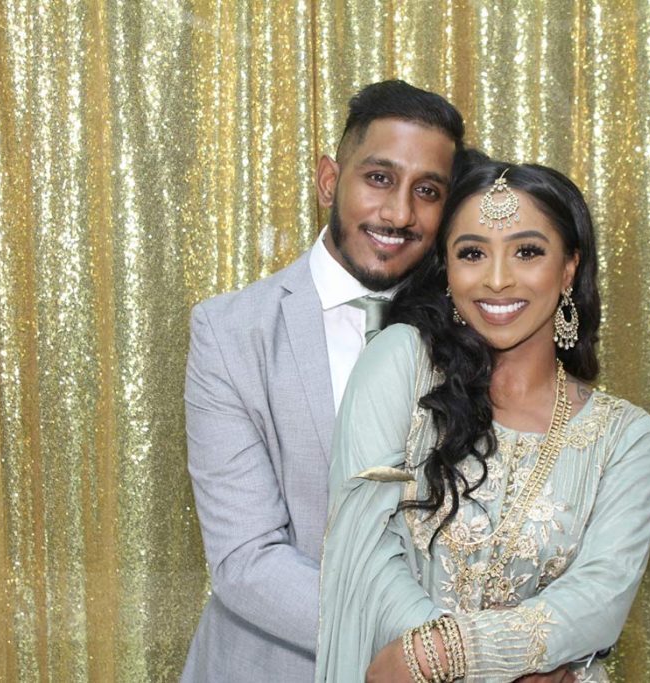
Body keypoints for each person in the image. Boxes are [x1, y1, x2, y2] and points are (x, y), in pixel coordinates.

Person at [316, 158, 650, 682]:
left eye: (527, 252)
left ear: (569, 267)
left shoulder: (627, 439)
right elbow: (366, 548)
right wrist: (478, 665)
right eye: (473, 253)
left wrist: (452, 655)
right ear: (448, 269)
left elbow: (599, 596)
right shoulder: (402, 364)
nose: (498, 280)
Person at [181, 80, 464, 682]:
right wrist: (439, 648)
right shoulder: (231, 332)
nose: (399, 213)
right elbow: (246, 561)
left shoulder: (479, 326)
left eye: (428, 191)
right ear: (330, 180)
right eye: (379, 178)